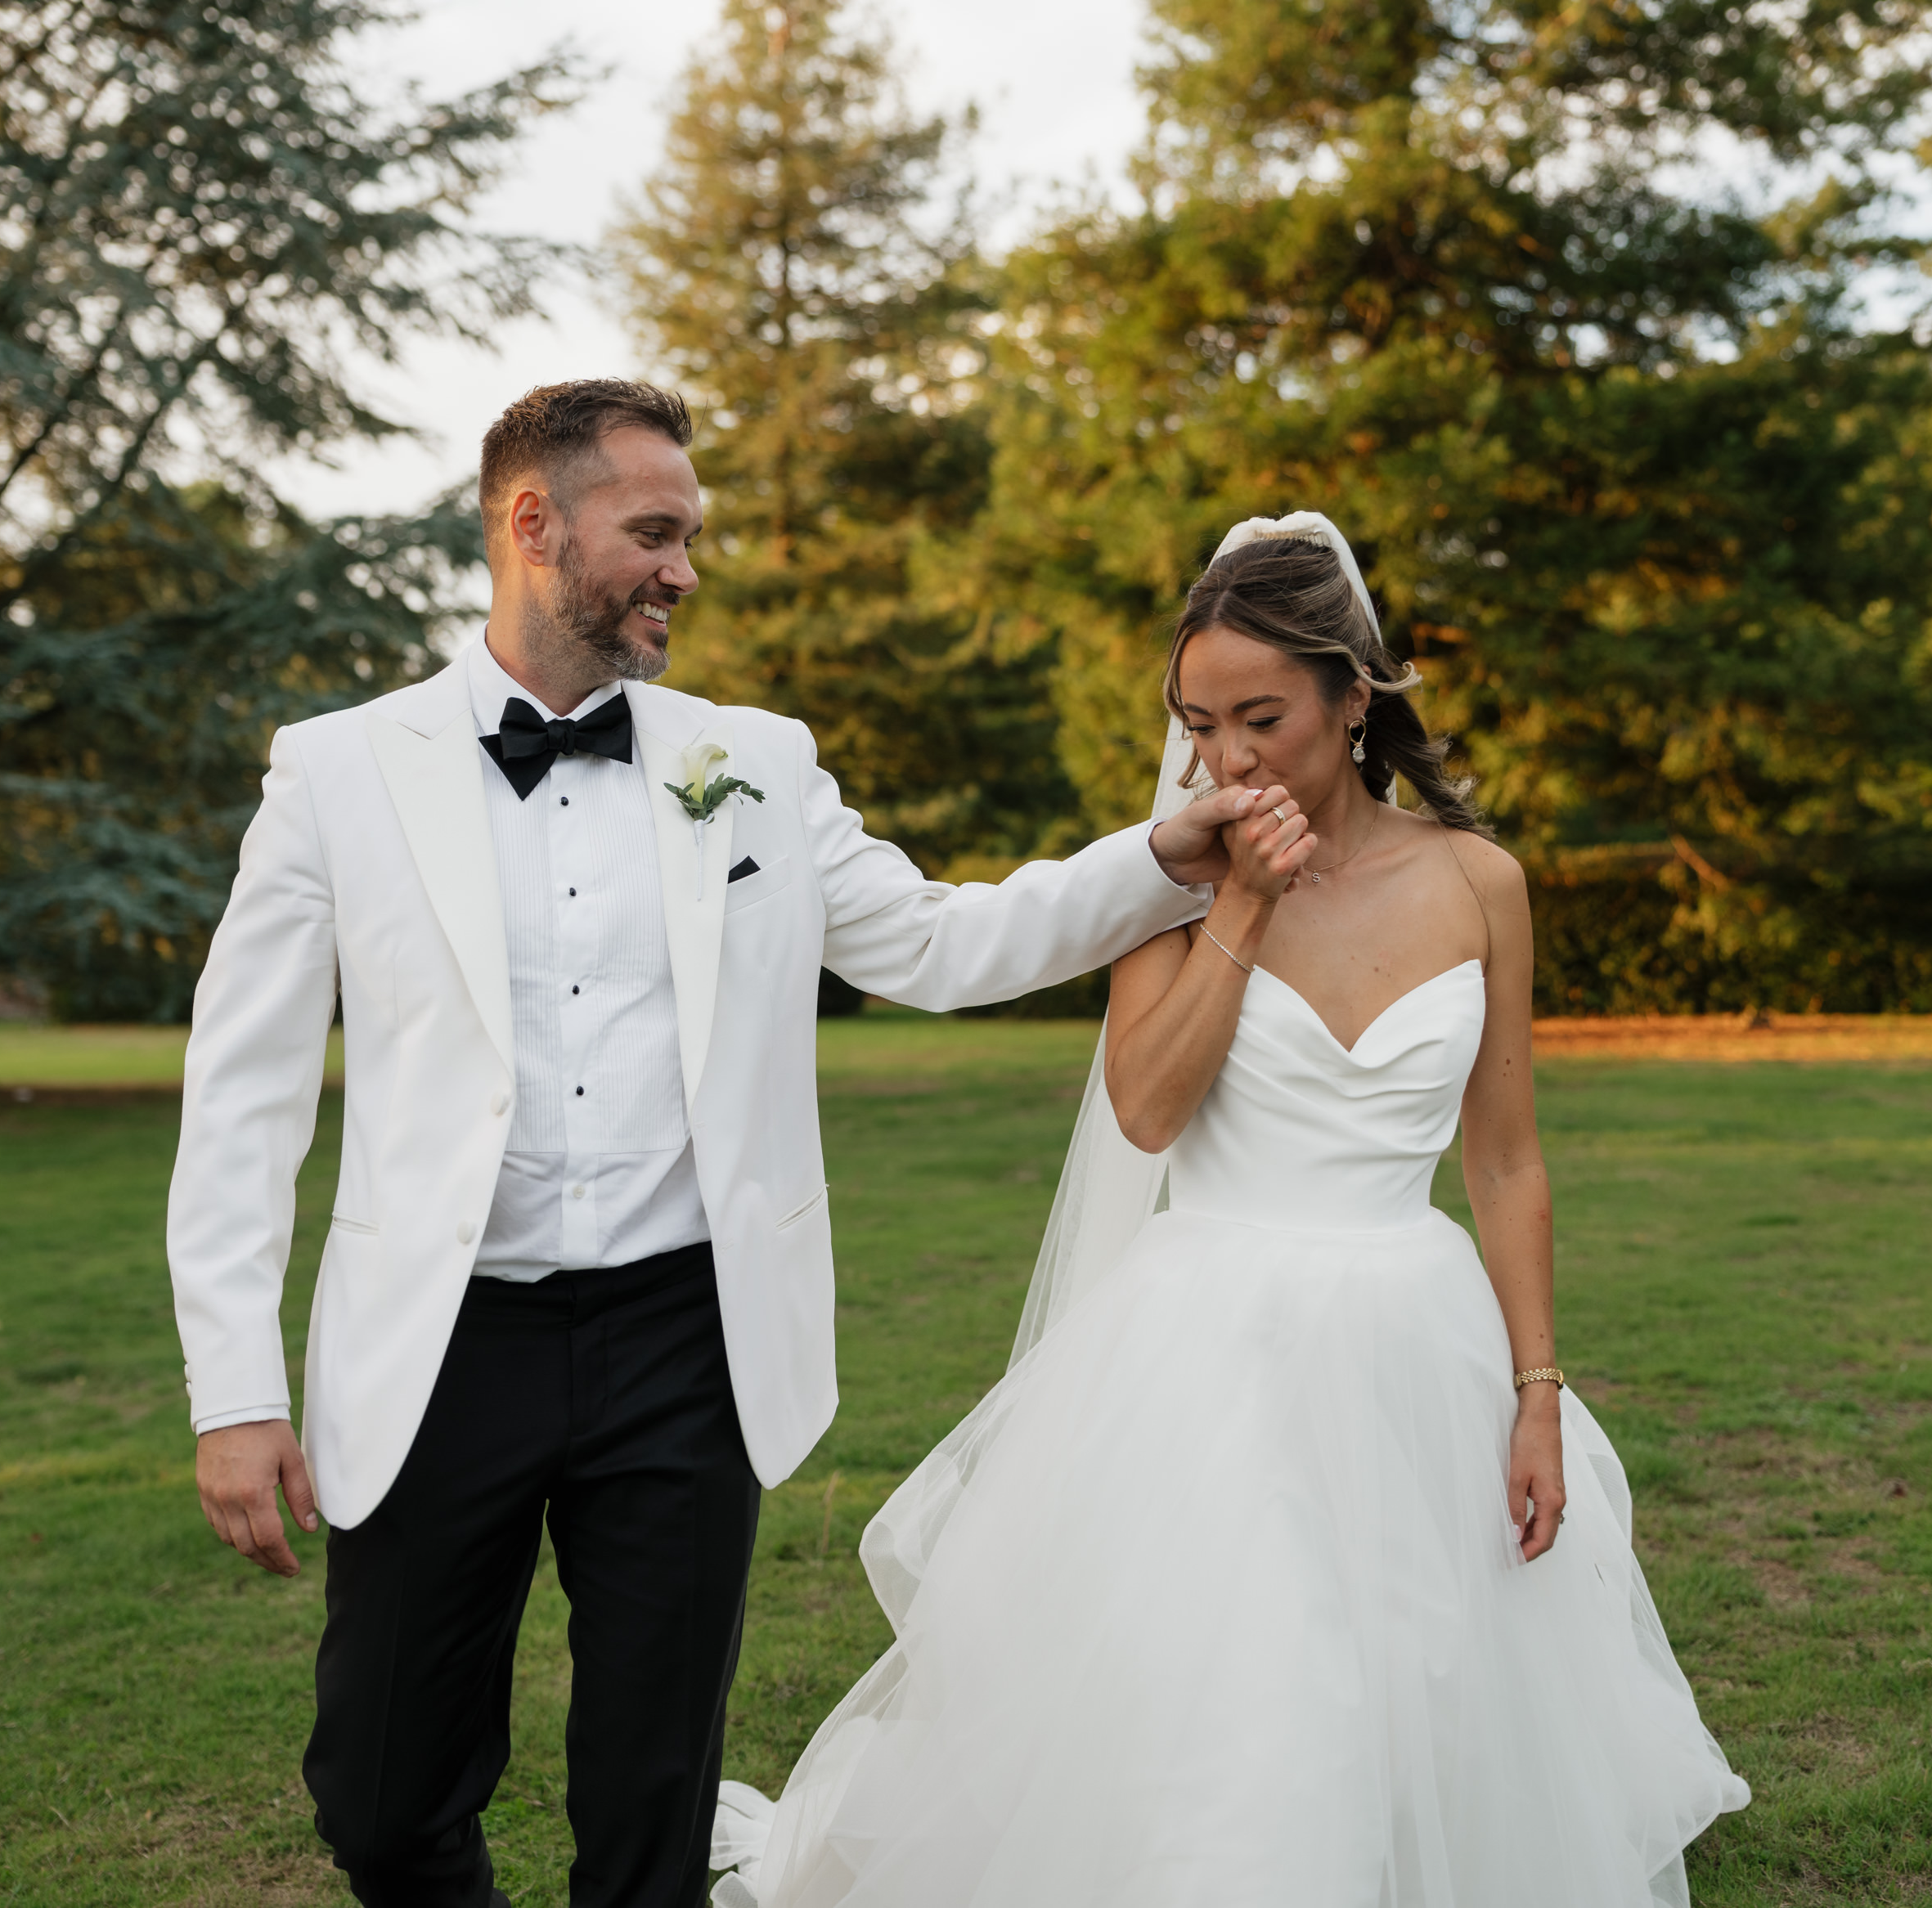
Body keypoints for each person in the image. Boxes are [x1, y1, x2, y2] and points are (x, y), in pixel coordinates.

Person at [164, 380, 1290, 1908]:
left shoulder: (751, 760)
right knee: (379, 1794)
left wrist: (1162, 854)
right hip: (440, 1347)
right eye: (656, 531)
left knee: (653, 1801)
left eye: (691, 534)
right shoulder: (341, 771)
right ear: (531, 523)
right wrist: (233, 1388)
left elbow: (947, 944)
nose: (686, 567)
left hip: (685, 1343)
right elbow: (244, 1093)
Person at [708, 514, 1750, 1907]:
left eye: (1261, 716)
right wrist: (1238, 909)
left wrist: (1538, 1386)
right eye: (1200, 722)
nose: (1229, 756)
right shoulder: (1168, 881)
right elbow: (1145, 1106)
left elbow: (1506, 1162)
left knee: (1418, 1656)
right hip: (1209, 1348)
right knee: (1257, 1667)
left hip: (1411, 1333)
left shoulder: (1478, 881)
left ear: (1354, 697)